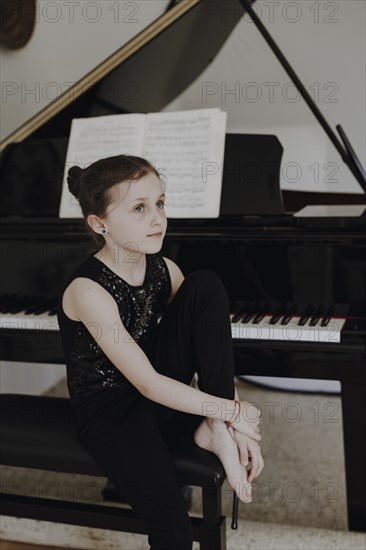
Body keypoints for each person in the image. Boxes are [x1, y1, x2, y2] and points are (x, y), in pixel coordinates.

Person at [57, 154, 264, 550]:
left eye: (160, 203)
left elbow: (208, 346)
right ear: (99, 224)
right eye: (139, 208)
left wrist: (231, 420)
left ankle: (215, 433)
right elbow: (149, 384)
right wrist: (235, 410)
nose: (157, 219)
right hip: (111, 412)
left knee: (205, 285)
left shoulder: (164, 268)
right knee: (174, 529)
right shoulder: (88, 290)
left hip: (157, 394)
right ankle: (216, 422)